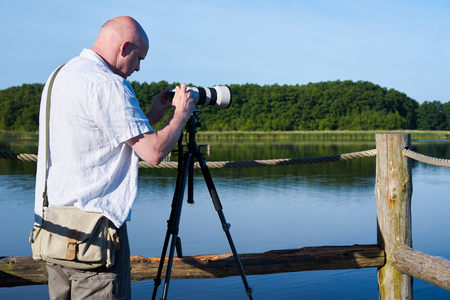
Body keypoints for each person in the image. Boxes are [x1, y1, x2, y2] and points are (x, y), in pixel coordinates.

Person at [34, 16, 195, 300]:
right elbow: (155, 152)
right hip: (96, 240)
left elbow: (101, 138)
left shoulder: (61, 74)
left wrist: (152, 117)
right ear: (124, 47)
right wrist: (180, 116)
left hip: (55, 233)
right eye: (139, 57)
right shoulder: (108, 84)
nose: (138, 67)